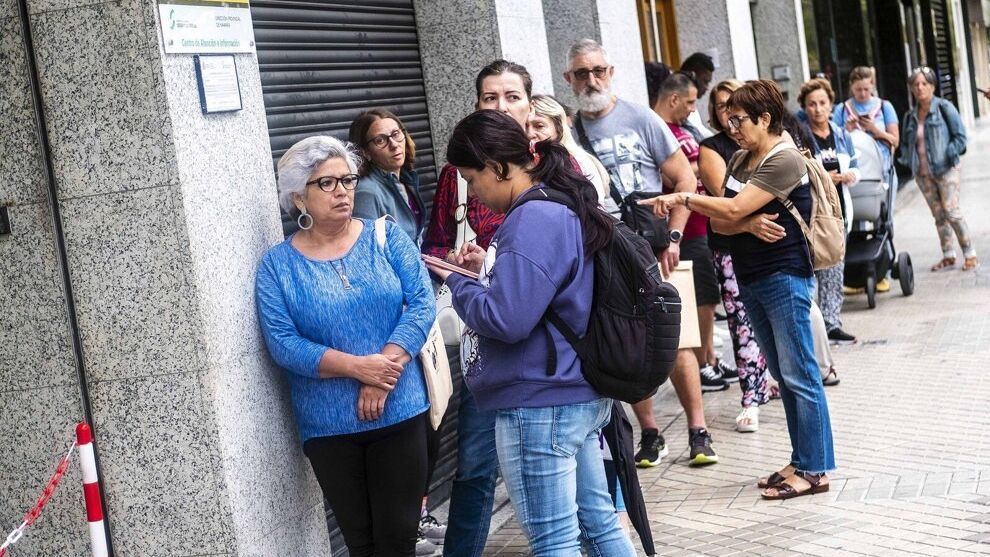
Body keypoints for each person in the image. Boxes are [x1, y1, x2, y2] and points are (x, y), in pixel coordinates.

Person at [425, 109, 636, 556]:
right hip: (569, 389)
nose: (474, 193)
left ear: (498, 167)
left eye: (472, 178)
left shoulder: (532, 218)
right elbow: (539, 294)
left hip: (540, 400)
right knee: (598, 526)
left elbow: (508, 319)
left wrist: (458, 282)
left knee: (556, 540)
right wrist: (485, 269)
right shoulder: (554, 204)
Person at [641, 80, 837, 499]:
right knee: (784, 378)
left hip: (784, 275)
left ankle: (816, 470)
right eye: (728, 119)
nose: (732, 127)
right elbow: (721, 224)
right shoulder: (744, 159)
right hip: (751, 276)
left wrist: (687, 198)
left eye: (740, 119)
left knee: (801, 375)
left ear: (765, 119)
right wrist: (744, 222)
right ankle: (801, 460)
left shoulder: (783, 159)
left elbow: (725, 208)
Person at [255, 136, 436, 555]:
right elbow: (283, 344)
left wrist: (381, 374)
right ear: (298, 198)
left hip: (400, 411)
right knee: (361, 545)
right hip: (329, 427)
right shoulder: (277, 266)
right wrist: (358, 368)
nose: (343, 191)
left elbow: (422, 303)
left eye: (348, 180)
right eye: (327, 183)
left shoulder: (386, 238)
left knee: (396, 541)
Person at [564, 38, 722, 468]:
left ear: (611, 72)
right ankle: (651, 433)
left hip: (654, 246)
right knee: (626, 341)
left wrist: (673, 238)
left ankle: (698, 429)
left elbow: (686, 180)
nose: (591, 79)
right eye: (582, 73)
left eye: (598, 70)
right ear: (569, 79)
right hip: (604, 252)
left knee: (678, 337)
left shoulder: (641, 118)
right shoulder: (569, 130)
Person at [425, 59, 534, 557]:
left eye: (511, 96)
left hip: (546, 338)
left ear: (529, 104)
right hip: (482, 333)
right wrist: (455, 261)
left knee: (557, 460)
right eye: (490, 98)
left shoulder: (551, 161)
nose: (501, 106)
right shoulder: (456, 172)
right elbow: (438, 239)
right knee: (474, 462)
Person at [650, 72, 735, 391]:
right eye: (688, 102)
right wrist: (705, 164)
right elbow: (672, 176)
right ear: (673, 99)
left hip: (703, 224)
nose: (691, 109)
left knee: (708, 296)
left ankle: (710, 358)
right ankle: (700, 364)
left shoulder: (684, 129)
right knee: (699, 296)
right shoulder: (657, 130)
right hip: (682, 229)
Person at [698, 78, 774, 432]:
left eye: (737, 107)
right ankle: (751, 397)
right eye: (723, 106)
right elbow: (724, 205)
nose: (730, 113)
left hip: (773, 245)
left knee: (772, 322)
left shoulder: (774, 148)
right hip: (730, 248)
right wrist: (748, 219)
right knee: (742, 323)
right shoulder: (712, 148)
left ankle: (770, 381)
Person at [799, 78, 860, 344]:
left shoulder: (841, 133)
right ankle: (813, 327)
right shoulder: (800, 135)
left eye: (822, 103)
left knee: (835, 267)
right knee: (812, 269)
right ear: (804, 107)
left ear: (831, 105)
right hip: (812, 213)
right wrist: (825, 178)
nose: (817, 109)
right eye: (811, 104)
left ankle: (833, 323)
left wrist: (848, 175)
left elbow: (857, 167)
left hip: (839, 210)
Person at [899, 66, 977, 271]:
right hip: (923, 174)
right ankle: (948, 255)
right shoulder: (910, 116)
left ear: (932, 86)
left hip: (946, 169)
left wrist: (950, 153)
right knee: (939, 216)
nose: (920, 88)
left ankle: (970, 253)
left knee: (951, 211)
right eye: (915, 84)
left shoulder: (944, 107)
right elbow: (908, 145)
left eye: (924, 83)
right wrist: (908, 162)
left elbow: (960, 137)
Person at [833, 67, 900, 292]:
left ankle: (883, 270)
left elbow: (894, 140)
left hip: (881, 172)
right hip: (851, 176)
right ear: (851, 87)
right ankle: (852, 275)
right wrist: (846, 130)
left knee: (882, 221)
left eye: (866, 89)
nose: (862, 93)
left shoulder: (885, 107)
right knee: (851, 225)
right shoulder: (842, 109)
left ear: (872, 86)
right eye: (858, 89)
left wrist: (873, 130)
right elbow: (831, 137)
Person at [350, 109, 426, 245]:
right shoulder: (366, 192)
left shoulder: (405, 179)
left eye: (396, 134)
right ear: (366, 153)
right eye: (380, 140)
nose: (394, 145)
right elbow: (368, 249)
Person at [679, 52, 716, 141]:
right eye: (705, 81)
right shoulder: (678, 110)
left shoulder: (692, 109)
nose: (707, 87)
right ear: (692, 75)